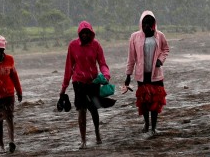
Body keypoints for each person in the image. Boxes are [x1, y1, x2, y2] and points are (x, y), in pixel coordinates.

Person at [60, 21, 111, 149]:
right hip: (78, 83)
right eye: (83, 33)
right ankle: (83, 140)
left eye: (87, 33)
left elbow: (102, 64)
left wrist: (106, 75)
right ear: (79, 34)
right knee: (81, 110)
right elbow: (68, 68)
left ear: (91, 33)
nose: (85, 35)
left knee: (94, 109)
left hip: (93, 82)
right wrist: (63, 88)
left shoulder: (96, 45)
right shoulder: (73, 46)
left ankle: (97, 132)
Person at [123, 10, 169, 135]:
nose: (147, 26)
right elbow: (131, 57)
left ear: (154, 23)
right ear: (141, 23)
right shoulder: (135, 37)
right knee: (144, 101)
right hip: (142, 76)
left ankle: (153, 127)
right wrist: (128, 75)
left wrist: (160, 60)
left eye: (150, 23)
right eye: (145, 23)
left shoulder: (159, 36)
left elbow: (165, 49)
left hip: (156, 75)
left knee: (156, 100)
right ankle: (146, 123)